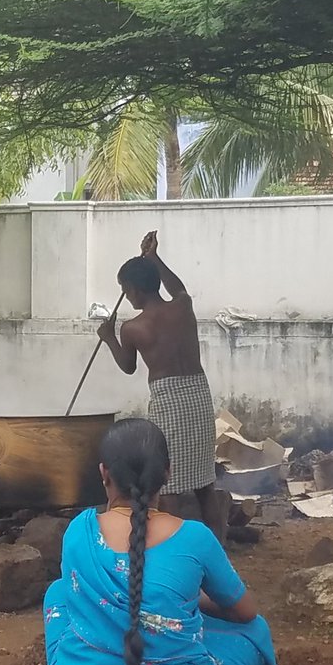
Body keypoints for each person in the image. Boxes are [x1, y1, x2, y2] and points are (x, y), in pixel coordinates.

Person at [42, 418, 277, 665]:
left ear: (103, 473)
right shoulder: (195, 538)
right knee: (256, 630)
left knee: (58, 593)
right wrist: (184, 603)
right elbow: (245, 612)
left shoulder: (78, 532)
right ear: (167, 473)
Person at [97, 231, 224, 541]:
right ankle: (218, 545)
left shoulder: (132, 328)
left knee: (169, 483)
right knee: (205, 480)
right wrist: (155, 259)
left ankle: (172, 546)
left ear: (134, 289)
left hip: (167, 400)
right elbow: (176, 286)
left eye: (125, 289)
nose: (126, 296)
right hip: (198, 393)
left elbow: (128, 367)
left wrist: (108, 337)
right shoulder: (183, 305)